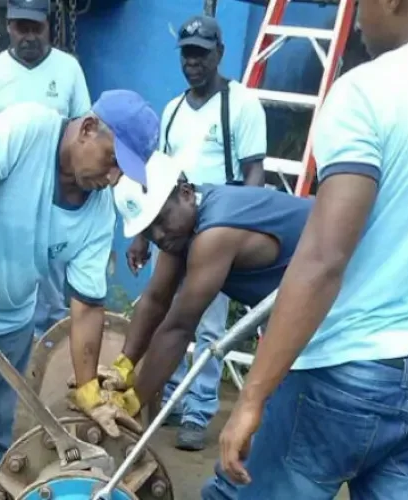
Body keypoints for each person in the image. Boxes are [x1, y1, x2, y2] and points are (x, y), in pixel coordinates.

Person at [211, 1, 408, 499]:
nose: (357, 18)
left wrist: (252, 397)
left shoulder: (370, 89)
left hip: (346, 370)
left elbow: (324, 259)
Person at [0, 89, 160, 491]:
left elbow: (87, 306)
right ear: (89, 129)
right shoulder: (27, 128)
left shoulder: (98, 211)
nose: (113, 178)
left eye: (123, 172)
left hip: (12, 318)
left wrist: (89, 390)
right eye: (112, 160)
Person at [90, 147, 311, 439]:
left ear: (184, 192)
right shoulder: (181, 229)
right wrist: (123, 368)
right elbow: (156, 300)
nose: (157, 236)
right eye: (148, 230)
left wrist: (130, 402)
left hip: (340, 296)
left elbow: (179, 328)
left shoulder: (214, 233)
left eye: (160, 220)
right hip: (298, 305)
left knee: (282, 432)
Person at [124, 13, 268, 451]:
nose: (193, 63)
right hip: (173, 228)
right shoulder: (171, 110)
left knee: (207, 328)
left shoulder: (241, 105)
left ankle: (198, 410)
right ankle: (167, 397)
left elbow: (253, 174)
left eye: (202, 55)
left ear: (219, 54)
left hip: (219, 230)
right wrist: (142, 235)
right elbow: (156, 179)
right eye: (187, 54)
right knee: (166, 314)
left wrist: (241, 229)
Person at [0, 0, 94, 338]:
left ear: (49, 26)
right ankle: (3, 361)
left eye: (36, 28)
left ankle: (43, 378)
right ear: (9, 26)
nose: (28, 36)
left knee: (52, 299)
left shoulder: (68, 69)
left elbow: (85, 128)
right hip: (3, 201)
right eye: (20, 27)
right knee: (3, 287)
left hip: (54, 201)